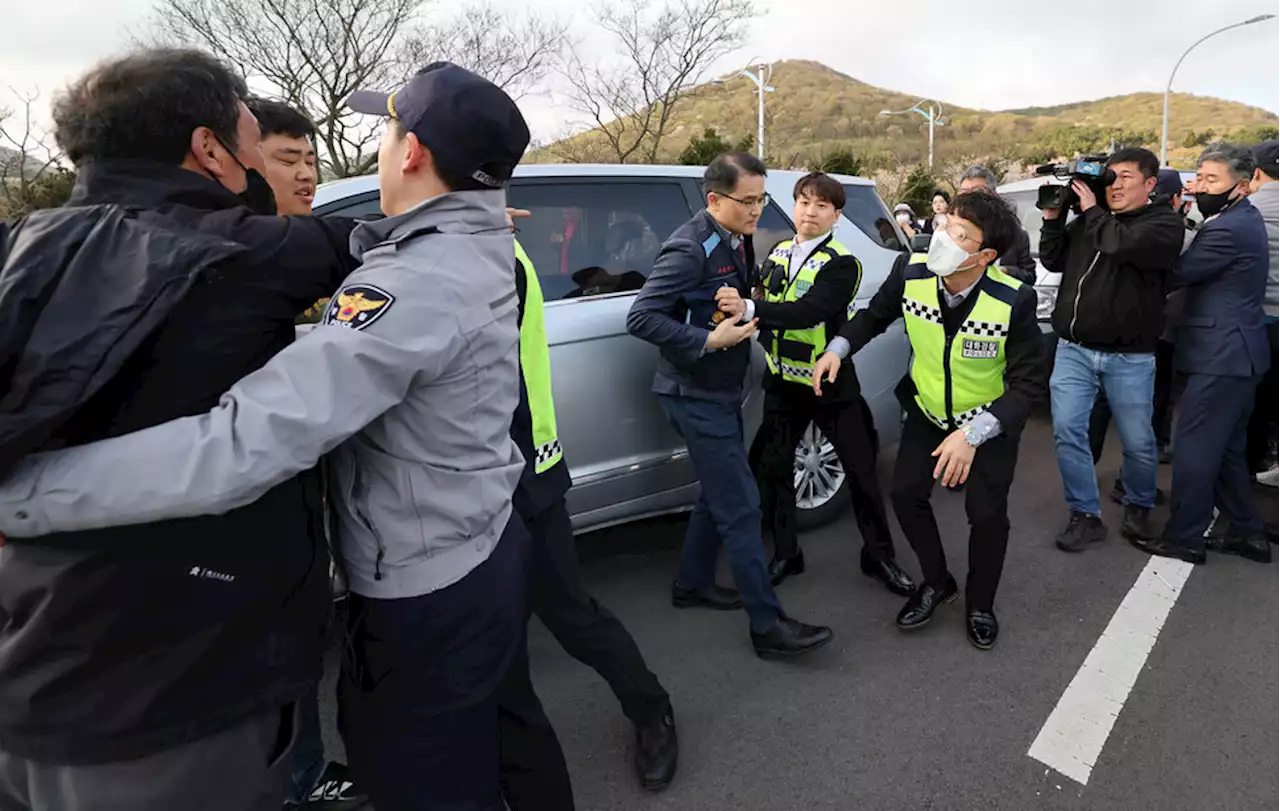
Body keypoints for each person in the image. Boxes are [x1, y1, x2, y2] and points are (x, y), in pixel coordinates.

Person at [0, 61, 575, 811]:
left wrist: (21, 493)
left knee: (420, 776)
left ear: (409, 155)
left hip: (424, 580)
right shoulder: (464, 248)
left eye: (387, 129)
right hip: (472, 542)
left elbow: (238, 446)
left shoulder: (413, 282)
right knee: (501, 733)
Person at [0, 49, 363, 811]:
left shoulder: (21, 245)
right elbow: (383, 247)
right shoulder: (247, 250)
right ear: (210, 149)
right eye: (256, 138)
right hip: (180, 694)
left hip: (35, 659)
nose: (268, 159)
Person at [812, 191, 1044, 650]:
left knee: (987, 515)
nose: (942, 237)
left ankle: (980, 604)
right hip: (927, 410)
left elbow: (1029, 385)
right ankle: (937, 581)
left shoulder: (1013, 299)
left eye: (960, 234)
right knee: (905, 494)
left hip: (988, 425)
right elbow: (873, 316)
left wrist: (973, 435)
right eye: (945, 224)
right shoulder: (911, 271)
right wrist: (836, 350)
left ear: (985, 256)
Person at [625, 152, 834, 659]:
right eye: (749, 201)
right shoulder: (689, 247)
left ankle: (692, 583)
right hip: (695, 395)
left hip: (717, 392)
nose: (758, 210)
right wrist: (708, 341)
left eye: (763, 199)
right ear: (715, 199)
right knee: (742, 507)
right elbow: (641, 317)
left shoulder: (736, 236)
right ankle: (768, 625)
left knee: (717, 492)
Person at [510, 234, 678, 791]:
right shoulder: (437, 242)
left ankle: (652, 709)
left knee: (571, 615)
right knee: (491, 638)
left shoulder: (489, 251)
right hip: (467, 491)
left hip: (522, 480)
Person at [239, 96, 368, 811]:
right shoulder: (240, 253)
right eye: (289, 159)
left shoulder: (297, 247)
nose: (308, 174)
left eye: (313, 159)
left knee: (297, 628)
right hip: (240, 504)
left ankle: (306, 769)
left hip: (288, 494)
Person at [714, 171, 914, 595]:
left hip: (832, 387)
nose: (810, 212)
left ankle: (880, 558)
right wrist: (761, 325)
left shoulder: (844, 265)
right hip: (784, 383)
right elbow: (765, 305)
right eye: (804, 202)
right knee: (775, 470)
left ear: (836, 216)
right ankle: (787, 553)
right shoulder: (778, 252)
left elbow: (809, 311)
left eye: (822, 206)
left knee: (861, 473)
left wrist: (752, 307)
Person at [1132, 143, 1272, 565]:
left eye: (1212, 180)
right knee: (1226, 449)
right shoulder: (1236, 218)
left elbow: (1177, 272)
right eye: (1199, 176)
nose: (1200, 186)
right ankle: (1248, 533)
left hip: (1221, 355)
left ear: (1242, 186)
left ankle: (1185, 538)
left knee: (1194, 449)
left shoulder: (1229, 228)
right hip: (1235, 354)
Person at [1041, 147, 1185, 554]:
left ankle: (1138, 504)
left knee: (1138, 441)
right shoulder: (1093, 220)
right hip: (1074, 349)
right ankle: (1084, 515)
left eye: (1126, 177)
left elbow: (1119, 244)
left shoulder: (1163, 224)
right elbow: (1054, 260)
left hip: (1131, 356)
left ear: (1150, 184)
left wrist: (1090, 209)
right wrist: (1053, 218)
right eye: (1111, 176)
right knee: (1069, 430)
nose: (1115, 185)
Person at [1087, 168, 1192, 503]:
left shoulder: (1120, 225)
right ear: (1177, 200)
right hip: (1159, 333)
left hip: (1125, 332)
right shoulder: (1176, 230)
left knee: (1105, 405)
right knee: (1149, 410)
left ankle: (1096, 469)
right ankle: (1131, 485)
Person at [1245, 139, 1280, 486]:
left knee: (1253, 405)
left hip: (1258, 321)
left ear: (1255, 172)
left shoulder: (1247, 210)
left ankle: (1250, 469)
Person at [956, 165, 1037, 282]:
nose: (969, 199)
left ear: (993, 195)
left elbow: (1029, 276)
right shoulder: (951, 232)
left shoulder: (1015, 234)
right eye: (964, 193)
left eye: (977, 192)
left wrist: (1007, 271)